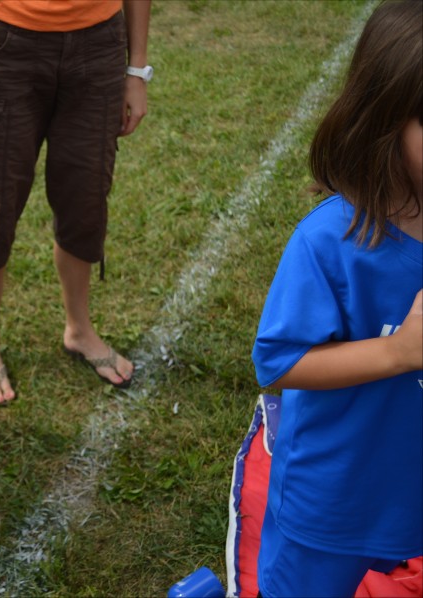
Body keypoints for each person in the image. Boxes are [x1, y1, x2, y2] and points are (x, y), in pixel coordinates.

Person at [251, 1, 422, 595]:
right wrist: (399, 354)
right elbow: (279, 362)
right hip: (337, 497)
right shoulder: (331, 240)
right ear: (385, 118)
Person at [0, 0, 151, 404]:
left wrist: (136, 70)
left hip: (99, 45)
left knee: (85, 198)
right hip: (6, 46)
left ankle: (79, 329)